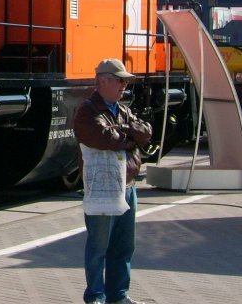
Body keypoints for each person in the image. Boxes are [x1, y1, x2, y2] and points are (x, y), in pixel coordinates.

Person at [74, 58, 153, 304]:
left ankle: (118, 295)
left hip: (127, 185)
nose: (124, 86)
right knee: (99, 247)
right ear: (103, 81)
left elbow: (146, 131)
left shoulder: (122, 110)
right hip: (103, 187)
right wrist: (129, 137)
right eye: (120, 80)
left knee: (124, 246)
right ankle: (95, 296)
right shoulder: (88, 110)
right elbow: (102, 137)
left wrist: (125, 131)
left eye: (125, 82)